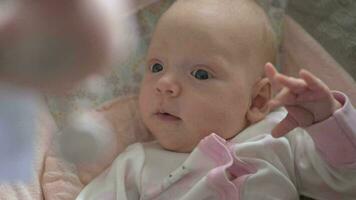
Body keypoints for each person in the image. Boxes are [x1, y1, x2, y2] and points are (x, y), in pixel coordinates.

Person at [76, 0, 356, 199]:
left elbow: (346, 182)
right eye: (157, 67)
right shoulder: (135, 164)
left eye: (200, 73)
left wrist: (327, 119)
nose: (164, 85)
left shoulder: (280, 135)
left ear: (257, 101)